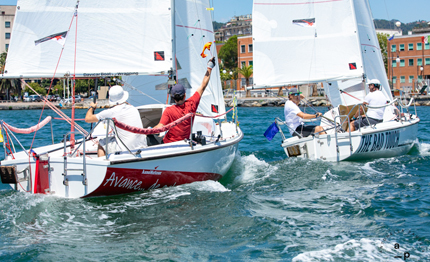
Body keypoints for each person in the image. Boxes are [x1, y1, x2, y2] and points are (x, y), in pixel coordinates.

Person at [153, 57, 216, 143]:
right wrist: (210, 67)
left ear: (173, 98)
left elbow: (160, 127)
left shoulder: (169, 111)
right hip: (183, 143)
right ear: (184, 95)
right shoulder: (192, 104)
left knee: (149, 139)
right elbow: (203, 86)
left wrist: (147, 131)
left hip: (167, 143)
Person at [85, 85, 147, 157]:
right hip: (141, 145)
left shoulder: (112, 112)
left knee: (101, 143)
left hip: (127, 148)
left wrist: (92, 107)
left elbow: (88, 119)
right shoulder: (133, 108)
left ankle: (103, 165)